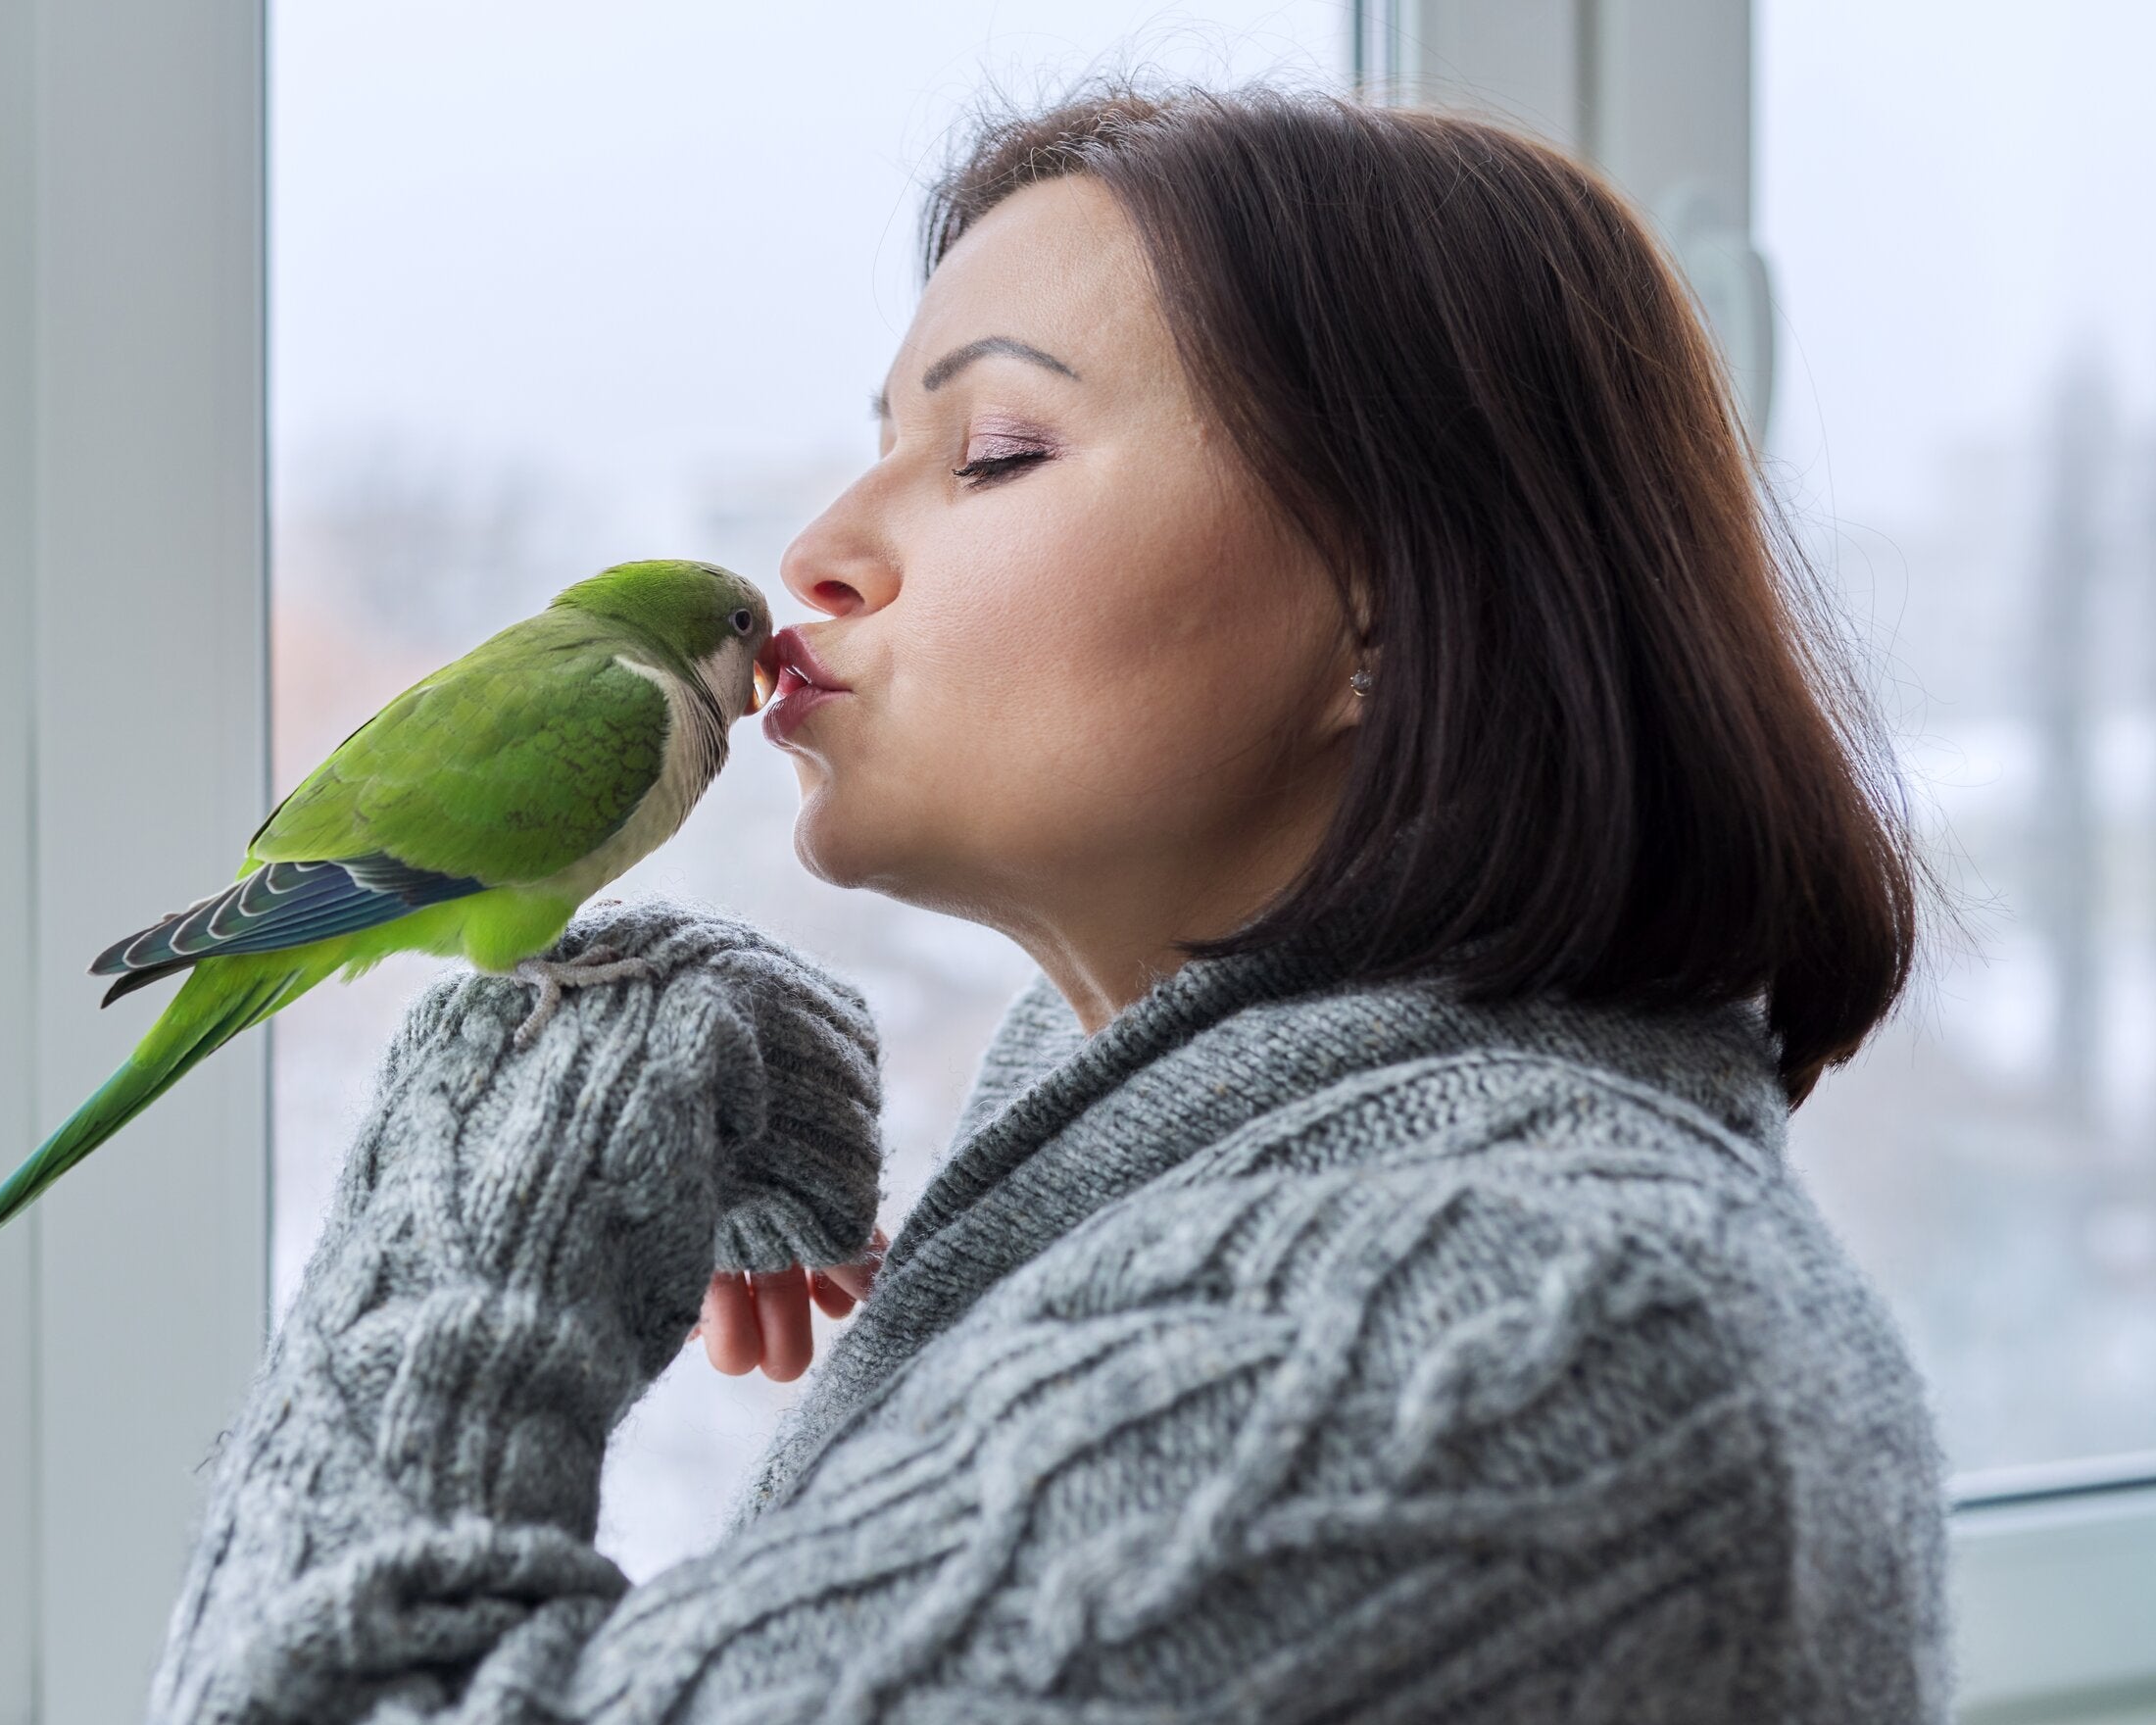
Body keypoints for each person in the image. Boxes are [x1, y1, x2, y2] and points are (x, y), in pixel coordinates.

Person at [148, 85, 1949, 1723]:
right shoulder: (1307, 1212)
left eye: (994, 451)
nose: (817, 550)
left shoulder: (1501, 1337)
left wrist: (523, 1128)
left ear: (1387, 612)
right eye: (875, 440)